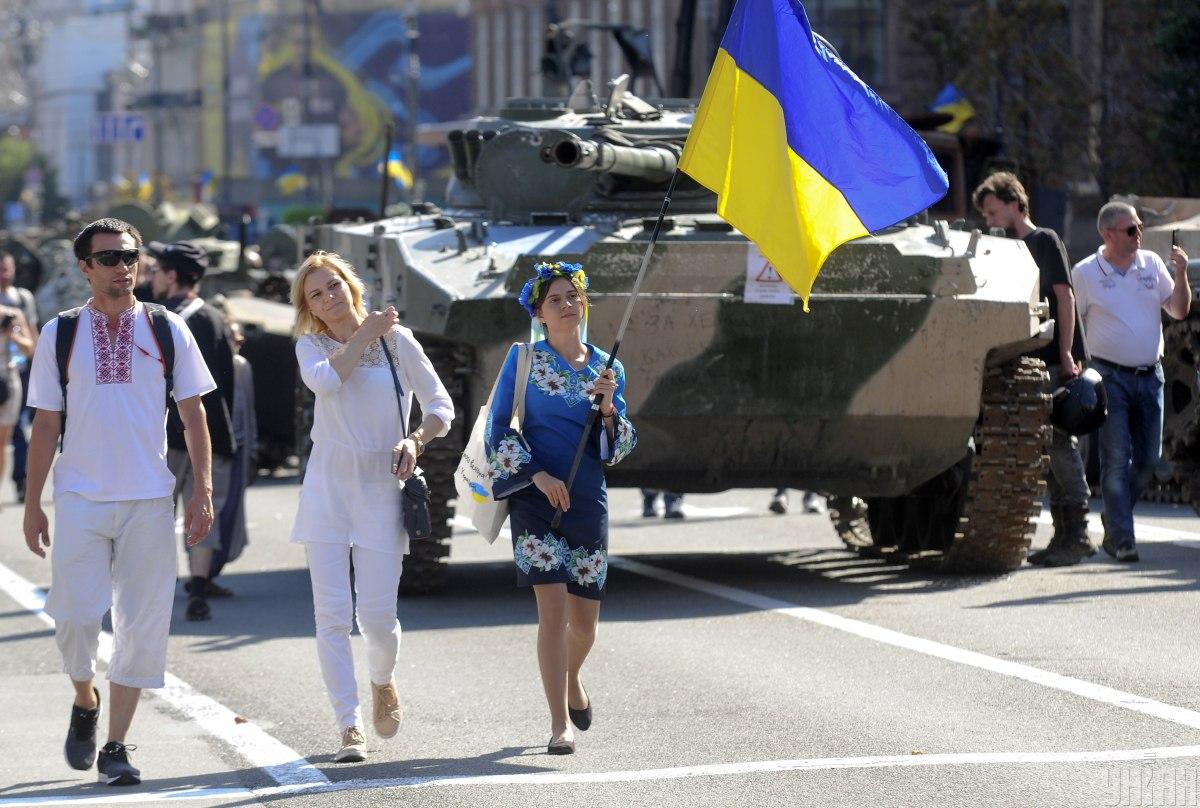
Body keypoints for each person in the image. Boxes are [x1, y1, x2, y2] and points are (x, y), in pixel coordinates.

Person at [22, 218, 216, 786]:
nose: (122, 265)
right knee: (76, 619)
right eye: (108, 258)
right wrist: (33, 503)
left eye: (129, 255)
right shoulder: (60, 333)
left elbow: (193, 414)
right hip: (80, 496)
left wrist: (202, 490)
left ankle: (116, 746)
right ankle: (86, 699)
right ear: (85, 268)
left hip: (150, 498)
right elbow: (45, 425)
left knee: (142, 625)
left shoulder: (168, 328)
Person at [290, 251, 453, 763]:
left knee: (378, 619)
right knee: (332, 615)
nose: (328, 298)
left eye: (333, 286)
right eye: (316, 294)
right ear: (309, 308)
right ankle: (348, 724)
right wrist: (365, 333)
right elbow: (325, 382)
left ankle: (382, 679)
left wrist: (415, 441)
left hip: (383, 484)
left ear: (350, 285)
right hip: (328, 486)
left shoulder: (398, 342)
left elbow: (440, 407)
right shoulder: (310, 346)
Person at [486, 261, 636, 755]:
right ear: (539, 313)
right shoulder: (523, 358)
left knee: (586, 624)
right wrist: (536, 475)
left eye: (573, 296)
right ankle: (558, 725)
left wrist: (610, 410)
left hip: (587, 502)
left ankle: (573, 679)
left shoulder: (608, 369)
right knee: (552, 613)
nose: (567, 305)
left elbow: (619, 448)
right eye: (555, 300)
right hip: (535, 499)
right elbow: (498, 430)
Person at [973, 172, 1093, 566]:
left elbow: (1064, 297)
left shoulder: (1043, 241)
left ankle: (1076, 534)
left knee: (1059, 443)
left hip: (1056, 360)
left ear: (1014, 204)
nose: (989, 220)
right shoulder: (1001, 247)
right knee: (1046, 448)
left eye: (993, 211)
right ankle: (1064, 535)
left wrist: (1067, 353)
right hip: (1026, 362)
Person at [1072, 200, 1190, 562]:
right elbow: (1073, 322)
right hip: (1110, 377)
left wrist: (1182, 273)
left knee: (1151, 461)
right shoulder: (1086, 272)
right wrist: (1073, 361)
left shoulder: (1152, 265)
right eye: (1130, 229)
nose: (1138, 234)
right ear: (1107, 234)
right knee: (1116, 460)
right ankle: (1122, 538)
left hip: (1150, 376)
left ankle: (1114, 515)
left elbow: (1180, 310)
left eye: (1139, 227)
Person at [147, 241, 238, 620]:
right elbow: (226, 384)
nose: (150, 277)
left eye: (156, 271)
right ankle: (198, 587)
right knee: (204, 512)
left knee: (154, 516)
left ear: (171, 276)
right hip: (209, 434)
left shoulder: (156, 319)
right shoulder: (214, 319)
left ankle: (151, 590)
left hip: (165, 437)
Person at [212, 319, 256, 582]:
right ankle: (203, 571)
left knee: (232, 510)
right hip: (217, 448)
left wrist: (252, 450)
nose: (236, 347)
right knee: (214, 510)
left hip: (240, 446)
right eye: (232, 341)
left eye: (240, 342)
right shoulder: (212, 365)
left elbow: (248, 411)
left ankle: (212, 571)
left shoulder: (243, 367)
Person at [0, 249, 39, 502]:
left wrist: (11, 333)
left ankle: (19, 480)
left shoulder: (21, 301)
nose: (4, 273)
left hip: (13, 376)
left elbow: (31, 344)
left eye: (7, 267)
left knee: (9, 436)